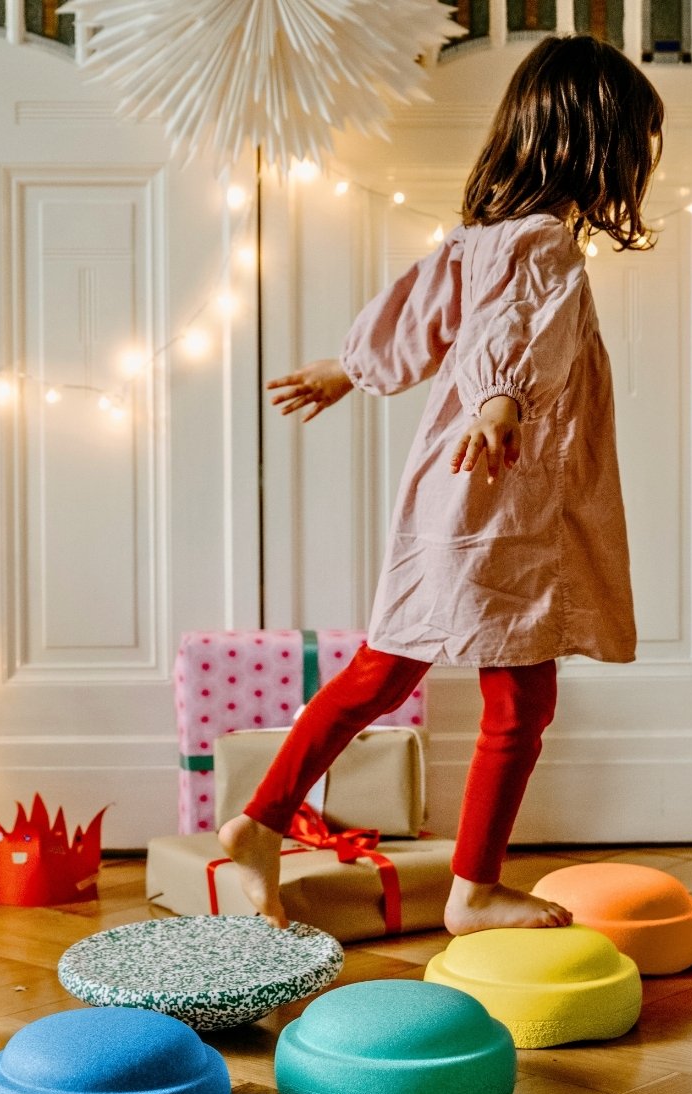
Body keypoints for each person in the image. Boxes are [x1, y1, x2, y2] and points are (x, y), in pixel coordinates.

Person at [220, 34, 664, 935]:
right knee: (521, 699)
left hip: (450, 492)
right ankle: (474, 889)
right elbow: (511, 338)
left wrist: (346, 369)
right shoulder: (545, 244)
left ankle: (260, 819)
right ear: (595, 144)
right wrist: (499, 400)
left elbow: (415, 319)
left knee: (382, 670)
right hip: (503, 498)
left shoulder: (478, 239)